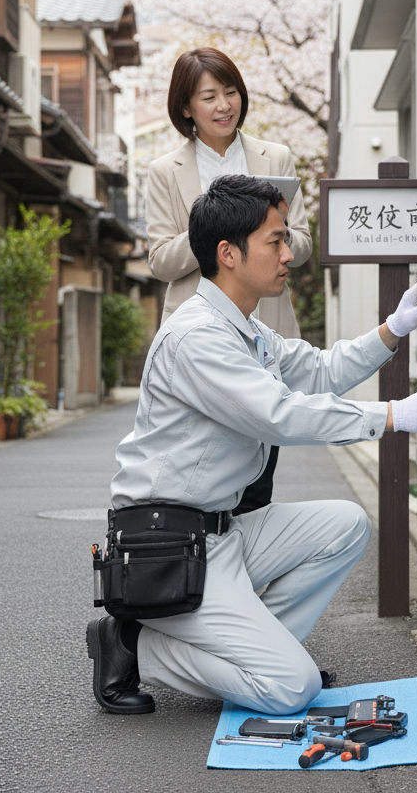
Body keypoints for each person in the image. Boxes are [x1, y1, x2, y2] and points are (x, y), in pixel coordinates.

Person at [86, 175, 417, 717]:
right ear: (229, 254)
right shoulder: (197, 337)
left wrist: (391, 330)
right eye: (275, 240)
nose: (289, 253)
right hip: (169, 545)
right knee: (292, 689)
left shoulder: (248, 329)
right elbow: (280, 414)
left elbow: (319, 370)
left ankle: (263, 658)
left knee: (345, 524)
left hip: (222, 533)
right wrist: (393, 415)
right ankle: (132, 646)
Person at [145, 47, 312, 513]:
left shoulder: (274, 157)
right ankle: (202, 568)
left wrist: (267, 241)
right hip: (199, 333)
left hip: (266, 332)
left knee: (260, 468)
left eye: (231, 92)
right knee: (200, 462)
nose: (224, 105)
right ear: (186, 107)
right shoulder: (164, 171)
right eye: (209, 96)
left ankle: (251, 568)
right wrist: (213, 230)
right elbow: (159, 260)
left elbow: (301, 241)